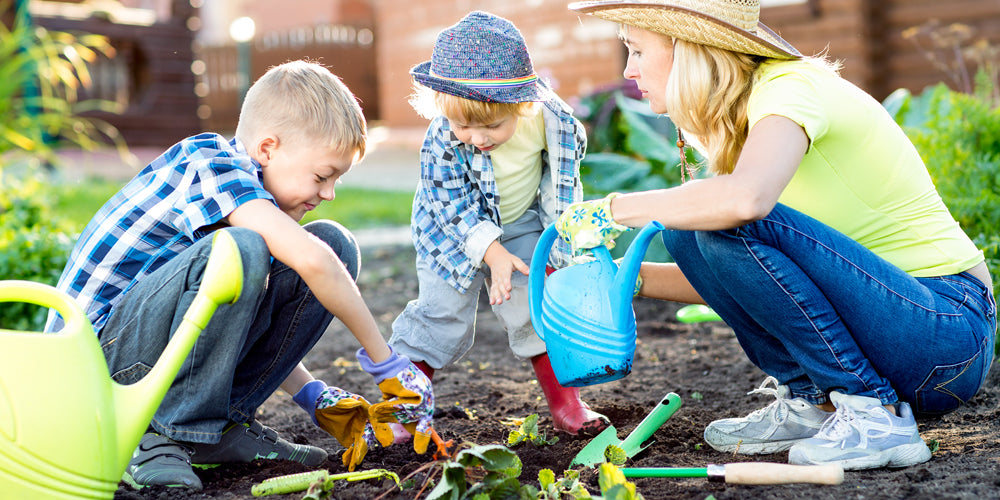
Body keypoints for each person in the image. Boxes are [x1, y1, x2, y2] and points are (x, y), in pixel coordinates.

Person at [562, 0, 995, 470]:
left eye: (638, 50)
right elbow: (753, 276)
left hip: (946, 334)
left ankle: (875, 418)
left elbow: (746, 203)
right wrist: (625, 277)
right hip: (899, 337)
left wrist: (613, 209)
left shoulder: (790, 88)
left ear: (690, 50)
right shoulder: (748, 118)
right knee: (691, 230)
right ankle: (818, 404)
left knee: (719, 213)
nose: (629, 70)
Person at [45, 60, 435, 490]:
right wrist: (387, 365)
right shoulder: (208, 163)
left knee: (333, 242)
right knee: (260, 251)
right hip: (92, 368)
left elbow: (231, 314)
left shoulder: (244, 197)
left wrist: (314, 395)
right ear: (268, 149)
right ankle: (159, 437)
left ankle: (216, 430)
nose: (329, 192)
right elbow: (314, 261)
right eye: (323, 176)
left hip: (146, 354)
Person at [388, 11, 610, 436]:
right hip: (450, 232)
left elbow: (562, 190)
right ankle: (404, 407)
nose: (476, 137)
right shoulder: (441, 137)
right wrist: (491, 252)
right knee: (442, 315)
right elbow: (449, 204)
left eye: (492, 125)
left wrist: (561, 253)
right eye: (462, 124)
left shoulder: (557, 124)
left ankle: (568, 404)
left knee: (535, 307)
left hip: (520, 220)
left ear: (524, 103)